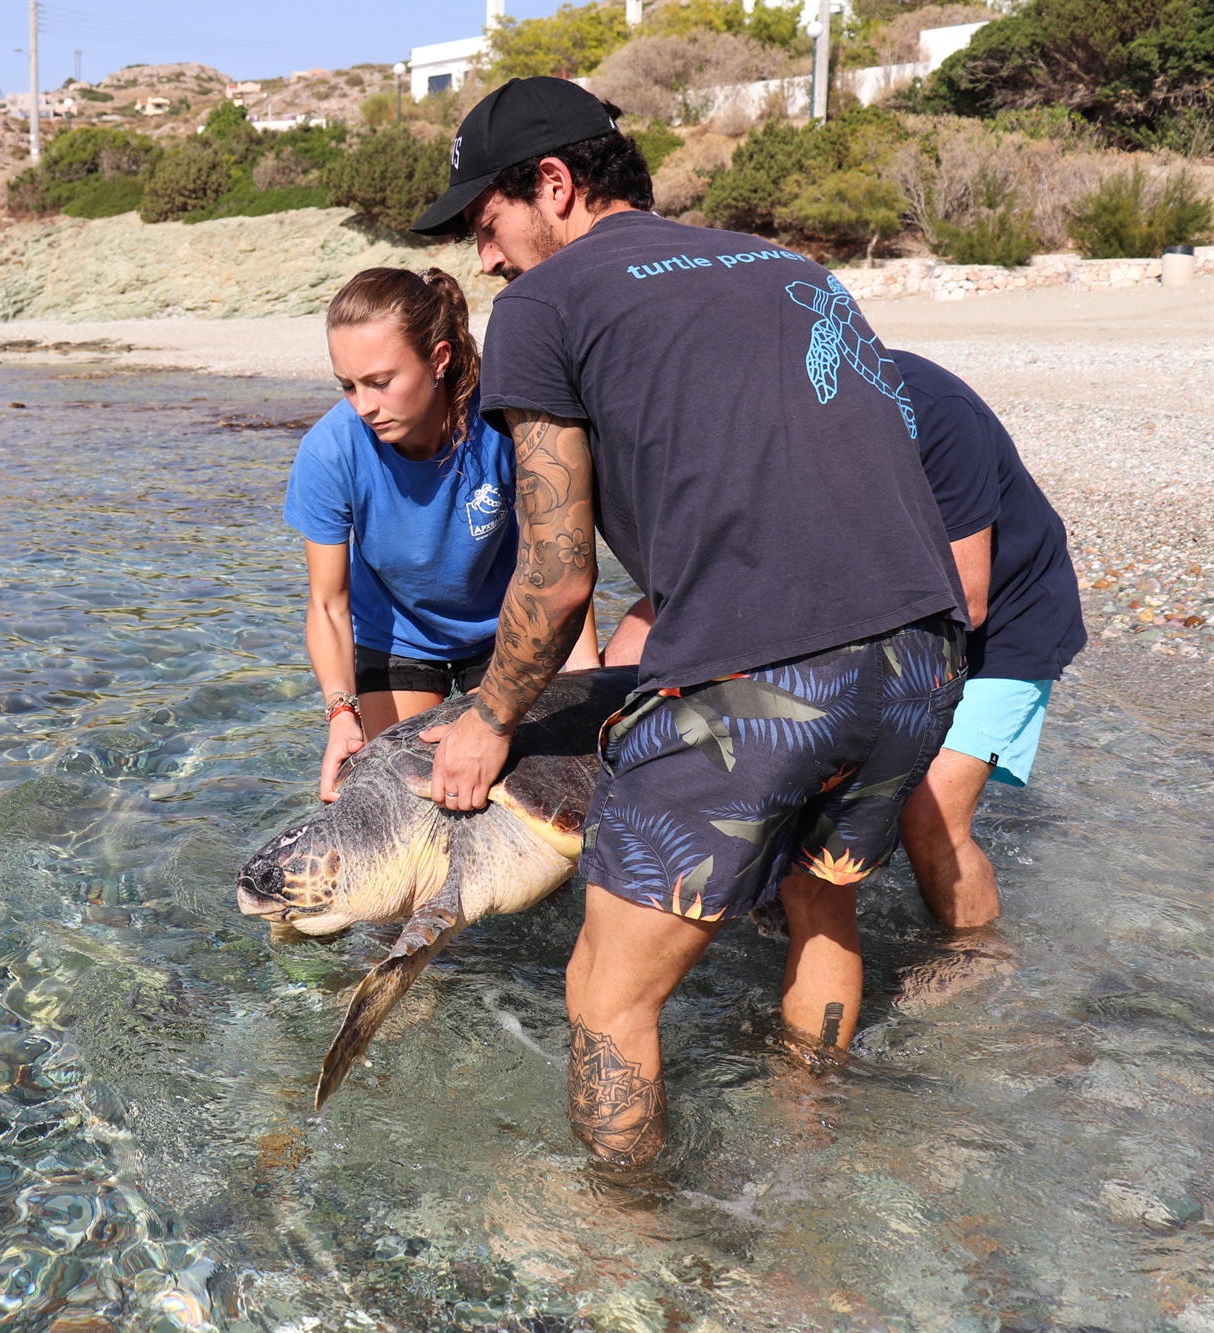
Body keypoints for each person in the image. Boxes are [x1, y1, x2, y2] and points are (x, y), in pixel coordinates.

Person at [408, 78, 968, 1168]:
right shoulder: (785, 265)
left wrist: (486, 717)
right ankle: (811, 1163)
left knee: (605, 995)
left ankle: (620, 1245)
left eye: (488, 224)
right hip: (920, 655)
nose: (486, 260)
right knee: (820, 912)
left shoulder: (544, 303)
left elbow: (557, 570)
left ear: (553, 187)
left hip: (762, 684)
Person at [606, 351, 1087, 931]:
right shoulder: (762, 418)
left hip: (1004, 621)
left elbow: (969, 596)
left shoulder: (936, 412)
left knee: (930, 818)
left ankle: (974, 963)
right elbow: (698, 582)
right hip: (876, 607)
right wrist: (616, 699)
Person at [284, 266, 598, 804]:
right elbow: (329, 604)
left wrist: (583, 675)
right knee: (399, 795)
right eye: (348, 386)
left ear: (439, 359)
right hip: (397, 639)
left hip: (507, 632)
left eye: (381, 382)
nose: (363, 407)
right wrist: (341, 712)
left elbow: (557, 551)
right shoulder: (329, 452)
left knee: (504, 794)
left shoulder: (504, 425)